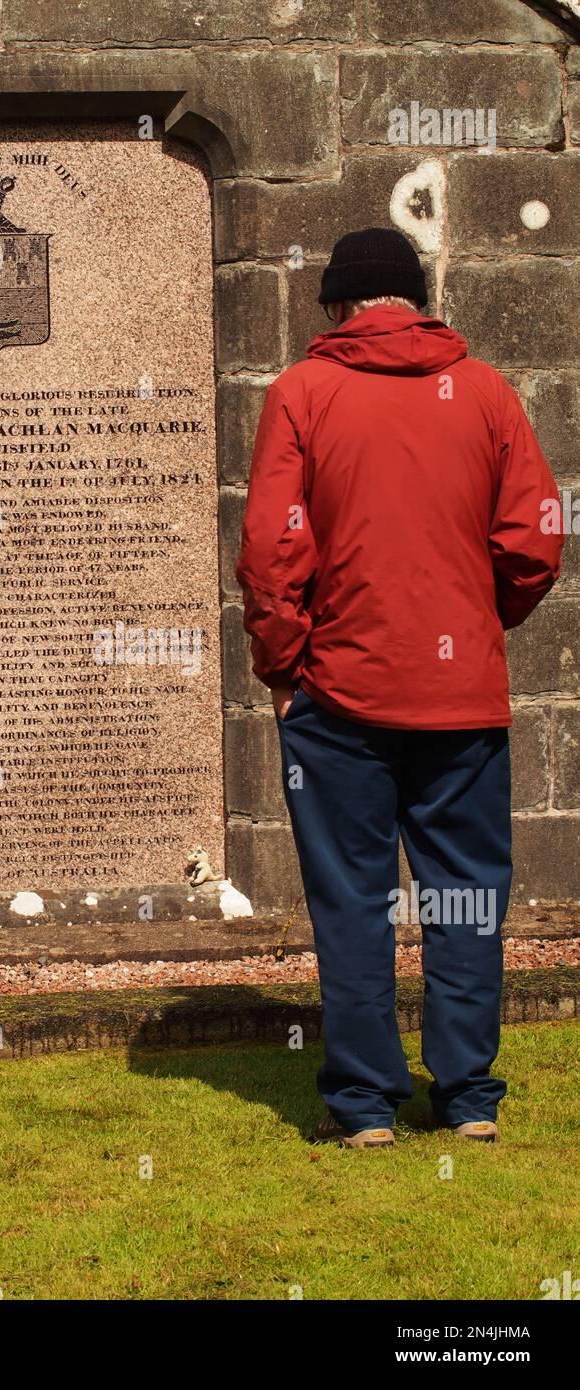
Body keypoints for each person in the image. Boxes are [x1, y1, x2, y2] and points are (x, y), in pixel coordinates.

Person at [236, 227, 564, 1148]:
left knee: (352, 898)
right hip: (462, 700)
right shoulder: (489, 391)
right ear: (417, 302)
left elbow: (271, 550)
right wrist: (477, 619)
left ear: (340, 307)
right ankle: (466, 1098)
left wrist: (280, 665)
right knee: (466, 896)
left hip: (339, 690)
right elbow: (535, 540)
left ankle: (365, 1107)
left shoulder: (304, 391)